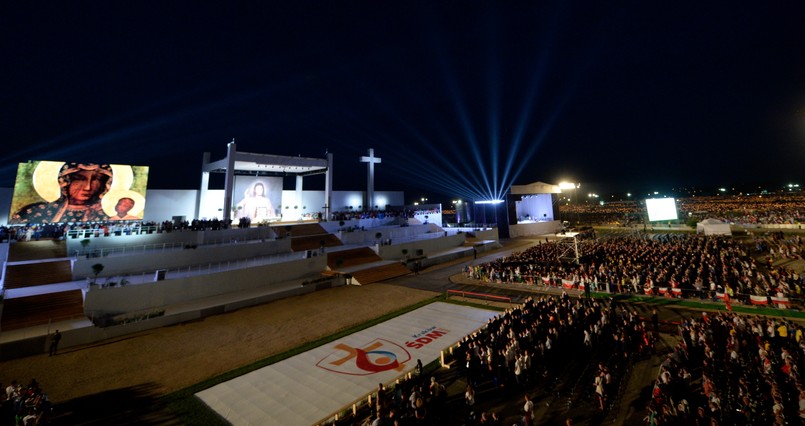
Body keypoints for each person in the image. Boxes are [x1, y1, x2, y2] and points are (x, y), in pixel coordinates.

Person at [11, 163, 113, 224]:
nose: (88, 187)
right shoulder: (35, 212)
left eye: (97, 179)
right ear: (64, 181)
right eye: (79, 178)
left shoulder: (110, 214)